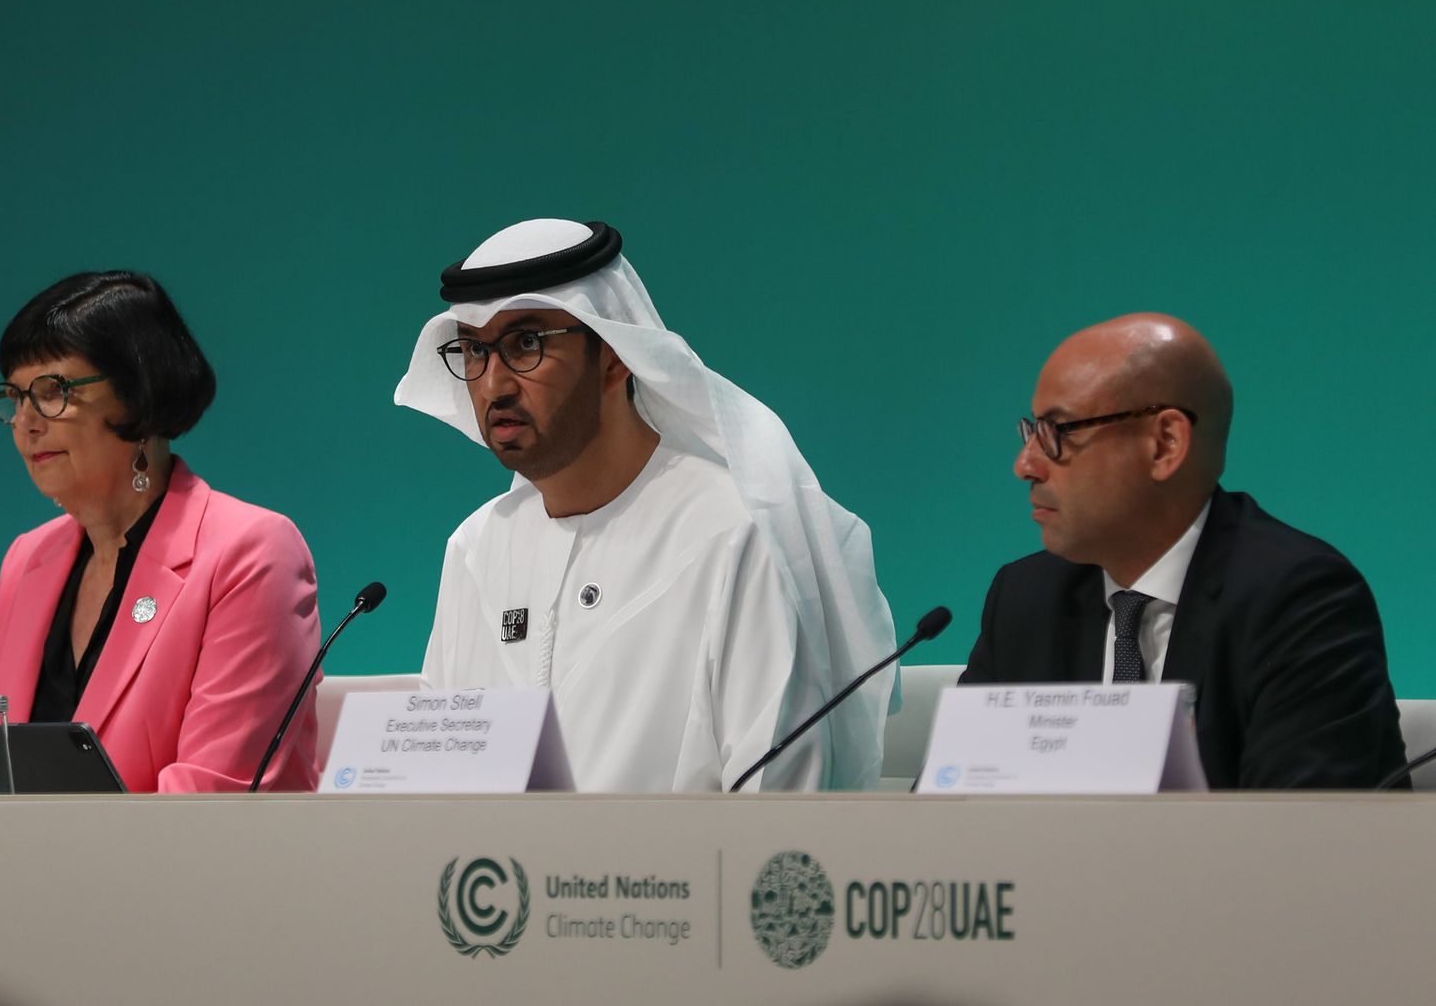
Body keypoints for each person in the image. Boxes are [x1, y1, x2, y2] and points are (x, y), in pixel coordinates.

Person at [396, 219, 897, 792]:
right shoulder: (474, 548)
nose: (492, 386)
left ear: (614, 356)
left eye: (527, 344)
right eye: (475, 351)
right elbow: (428, 790)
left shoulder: (732, 535)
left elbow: (776, 811)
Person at [961, 313, 1405, 788]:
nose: (1025, 465)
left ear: (1164, 443)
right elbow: (946, 810)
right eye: (1030, 432)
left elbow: (1299, 838)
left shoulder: (1300, 598)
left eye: (1058, 432)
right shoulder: (1026, 598)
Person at [0, 270, 320, 793]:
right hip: (18, 869)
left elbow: (215, 792)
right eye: (16, 396)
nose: (26, 422)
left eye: (52, 392)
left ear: (139, 396)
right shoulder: (27, 559)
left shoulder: (250, 553)